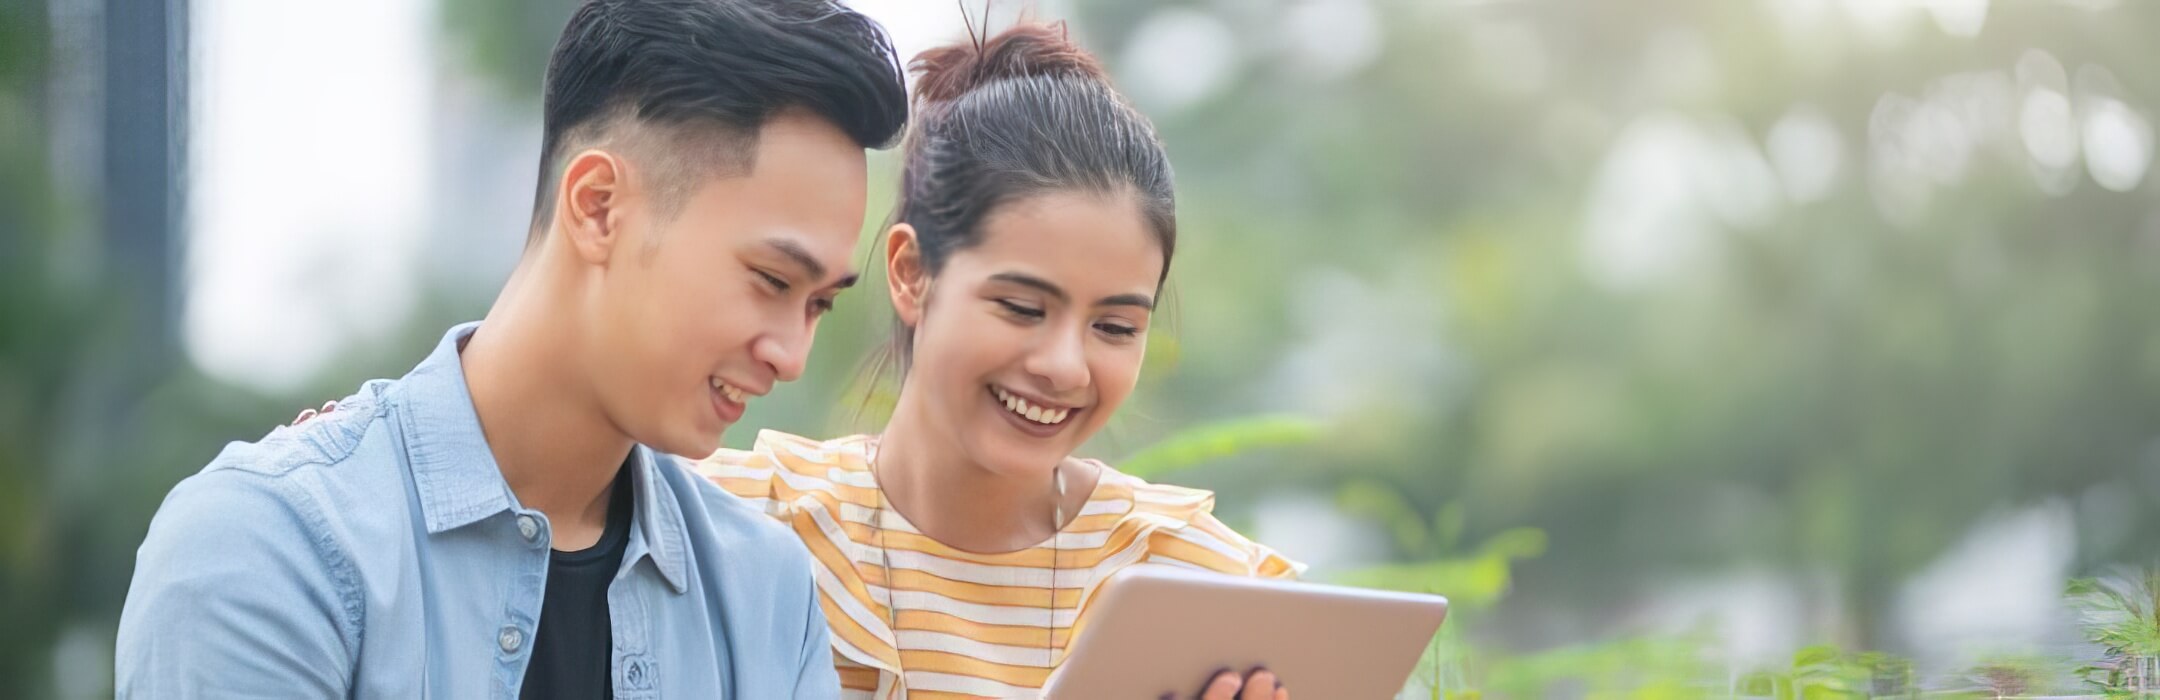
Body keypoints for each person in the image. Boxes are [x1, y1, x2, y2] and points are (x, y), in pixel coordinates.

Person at [114, 0, 906, 696]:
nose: (793, 354)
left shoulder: (763, 596)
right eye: (771, 280)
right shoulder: (272, 552)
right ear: (598, 208)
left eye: (821, 306)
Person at [699, 22, 1303, 700]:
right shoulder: (728, 523)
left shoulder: (1204, 589)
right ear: (911, 273)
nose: (1065, 367)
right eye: (1021, 307)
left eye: (1114, 325)